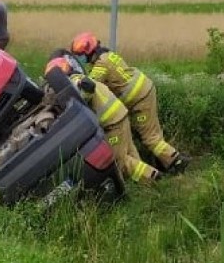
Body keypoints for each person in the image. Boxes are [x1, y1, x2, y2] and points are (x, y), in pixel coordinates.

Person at [69, 32, 188, 174]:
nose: (80, 59)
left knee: (151, 139)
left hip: (140, 99)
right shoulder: (107, 55)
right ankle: (164, 164)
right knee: (153, 133)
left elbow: (91, 87)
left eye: (81, 55)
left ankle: (177, 162)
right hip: (144, 90)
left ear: (89, 52)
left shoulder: (100, 66)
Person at [44, 53, 159, 184]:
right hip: (120, 116)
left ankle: (153, 178)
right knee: (131, 155)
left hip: (112, 124)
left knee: (120, 162)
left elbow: (87, 88)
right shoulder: (81, 76)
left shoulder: (74, 81)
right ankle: (144, 184)